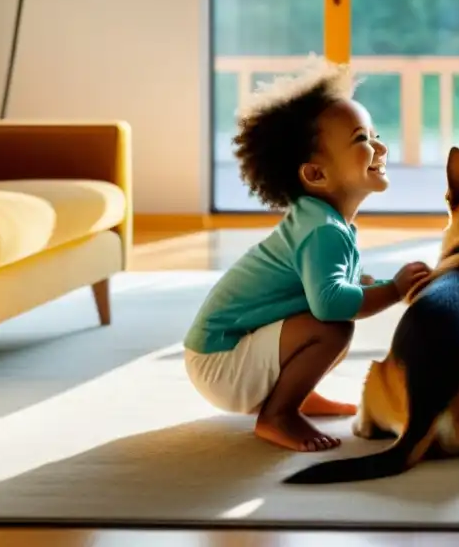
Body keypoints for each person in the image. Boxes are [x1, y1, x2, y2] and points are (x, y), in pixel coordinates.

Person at [183, 58, 432, 452]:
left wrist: (385, 285)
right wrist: (394, 291)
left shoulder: (323, 222)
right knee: (333, 326)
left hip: (223, 354)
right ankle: (277, 413)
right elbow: (332, 302)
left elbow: (346, 283)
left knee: (332, 322)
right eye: (361, 140)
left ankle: (293, 395)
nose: (381, 147)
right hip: (221, 362)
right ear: (316, 174)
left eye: (375, 134)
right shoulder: (321, 231)